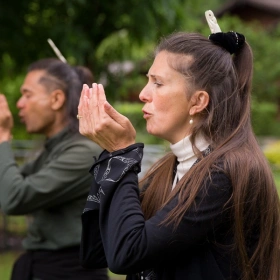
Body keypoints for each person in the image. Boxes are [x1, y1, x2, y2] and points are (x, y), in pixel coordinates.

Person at [77, 26, 280, 280]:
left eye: (158, 83)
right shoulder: (169, 168)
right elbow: (97, 252)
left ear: (198, 102)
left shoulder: (224, 174)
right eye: (147, 80)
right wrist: (110, 152)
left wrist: (120, 154)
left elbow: (128, 253)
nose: (143, 94)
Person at [0, 58, 108, 280]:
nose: (19, 103)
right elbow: (6, 183)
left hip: (68, 273)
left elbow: (14, 198)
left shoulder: (83, 153)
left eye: (27, 95)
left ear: (57, 99)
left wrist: (3, 138)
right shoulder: (54, 149)